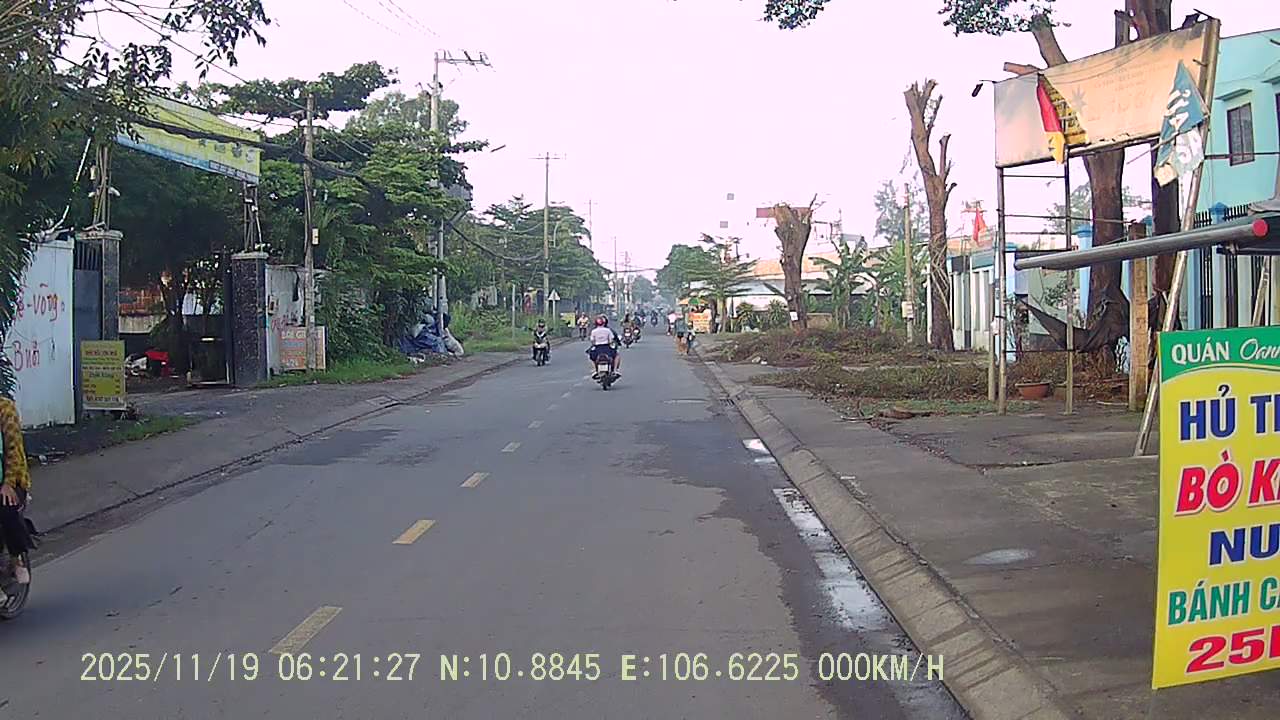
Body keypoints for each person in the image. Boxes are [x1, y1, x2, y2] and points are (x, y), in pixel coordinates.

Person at [0, 394, 32, 585]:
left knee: (6, 508)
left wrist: (8, 483)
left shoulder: (5, 409)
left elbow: (13, 450)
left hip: (10, 478)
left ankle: (16, 558)